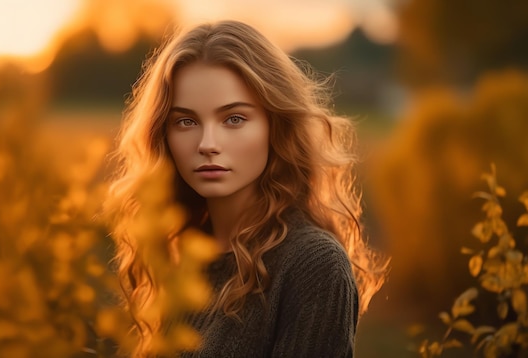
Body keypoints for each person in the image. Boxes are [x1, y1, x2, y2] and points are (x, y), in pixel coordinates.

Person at [107, 20, 387, 357]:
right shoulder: (178, 252)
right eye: (186, 121)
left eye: (234, 119)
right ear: (162, 135)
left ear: (275, 125)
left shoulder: (312, 265)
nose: (208, 144)